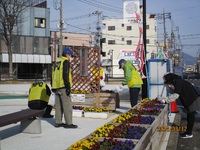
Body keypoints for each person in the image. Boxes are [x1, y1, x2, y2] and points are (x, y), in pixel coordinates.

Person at [158, 73, 200, 138]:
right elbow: (174, 92)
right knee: (190, 116)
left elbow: (176, 95)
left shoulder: (178, 82)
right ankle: (188, 132)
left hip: (192, 99)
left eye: (165, 80)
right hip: (192, 98)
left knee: (191, 116)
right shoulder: (177, 81)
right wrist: (167, 86)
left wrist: (166, 100)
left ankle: (189, 133)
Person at [51, 48, 78, 128]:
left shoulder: (57, 62)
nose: (70, 57)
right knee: (67, 105)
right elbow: (65, 74)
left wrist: (52, 85)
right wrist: (68, 86)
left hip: (56, 86)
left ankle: (58, 122)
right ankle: (68, 123)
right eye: (70, 56)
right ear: (67, 54)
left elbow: (52, 74)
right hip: (63, 86)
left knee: (58, 106)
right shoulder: (65, 61)